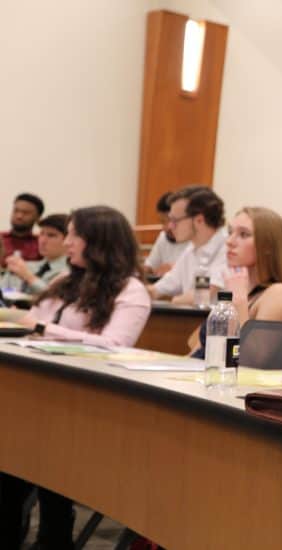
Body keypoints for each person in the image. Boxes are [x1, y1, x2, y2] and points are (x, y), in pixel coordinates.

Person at [1, 206, 151, 549]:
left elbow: (116, 345)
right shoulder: (63, 282)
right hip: (35, 395)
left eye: (74, 235)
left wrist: (42, 328)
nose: (66, 242)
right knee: (9, 477)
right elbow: (28, 328)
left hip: (85, 404)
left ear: (98, 241)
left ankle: (54, 537)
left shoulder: (130, 290)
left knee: (52, 481)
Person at [190, 207, 282, 356]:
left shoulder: (279, 293)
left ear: (267, 246)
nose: (230, 241)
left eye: (243, 234)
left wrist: (238, 302)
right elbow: (195, 349)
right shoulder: (240, 290)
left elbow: (253, 357)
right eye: (230, 232)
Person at [150, 186, 228, 304]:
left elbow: (201, 296)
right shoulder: (192, 249)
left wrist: (174, 301)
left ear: (199, 220)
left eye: (175, 220)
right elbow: (162, 286)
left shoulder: (227, 247)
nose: (170, 226)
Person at [2, 214, 69, 294]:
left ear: (67, 240)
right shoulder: (27, 266)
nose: (43, 241)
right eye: (41, 234)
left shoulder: (71, 272)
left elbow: (55, 298)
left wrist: (28, 277)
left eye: (51, 235)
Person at [144, 190, 189, 277]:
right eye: (162, 222)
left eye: (172, 220)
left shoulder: (199, 242)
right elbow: (150, 266)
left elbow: (204, 282)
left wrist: (176, 269)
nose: (167, 227)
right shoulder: (163, 237)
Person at [2, 193, 44, 261]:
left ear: (38, 218)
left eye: (26, 213)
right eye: (16, 211)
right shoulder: (1, 238)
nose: (19, 216)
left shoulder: (42, 244)